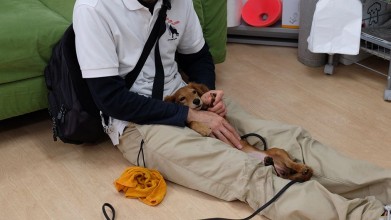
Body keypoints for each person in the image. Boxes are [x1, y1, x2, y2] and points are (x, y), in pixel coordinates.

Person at [73, 0, 391, 219]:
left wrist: (207, 94)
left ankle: (387, 188)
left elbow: (197, 57)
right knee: (247, 169)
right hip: (138, 123)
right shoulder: (94, 8)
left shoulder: (177, 3)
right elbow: (109, 99)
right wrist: (189, 116)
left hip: (185, 97)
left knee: (293, 141)